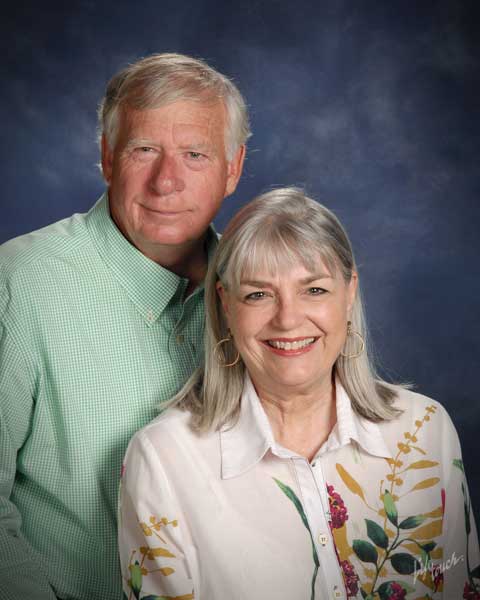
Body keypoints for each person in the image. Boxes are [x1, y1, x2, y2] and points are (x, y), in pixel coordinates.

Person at [119, 187, 480, 600]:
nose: (288, 319)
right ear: (225, 305)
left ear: (349, 293)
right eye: (258, 294)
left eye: (314, 290)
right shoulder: (164, 460)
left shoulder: (425, 429)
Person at [0, 53, 248, 600]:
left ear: (233, 168)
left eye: (195, 154)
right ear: (107, 158)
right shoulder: (18, 284)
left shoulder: (263, 294)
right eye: (144, 150)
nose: (167, 181)